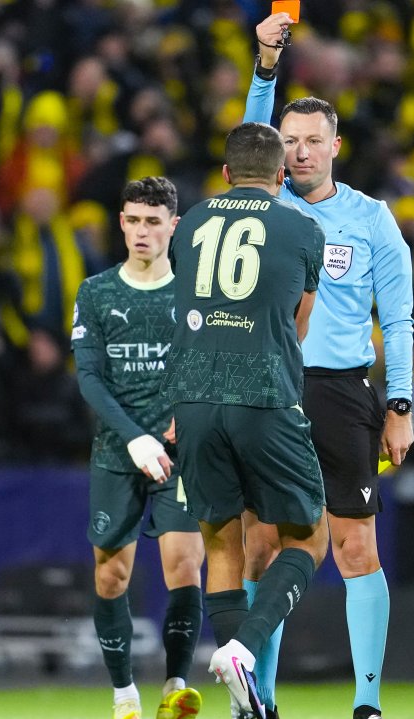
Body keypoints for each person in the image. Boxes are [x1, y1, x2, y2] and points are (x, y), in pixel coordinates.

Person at [239, 13, 414, 719]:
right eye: (289, 141)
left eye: (313, 141)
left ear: (336, 146)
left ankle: (367, 702)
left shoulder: (372, 220)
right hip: (267, 388)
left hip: (342, 392)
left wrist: (400, 404)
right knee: (262, 548)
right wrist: (266, 61)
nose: (301, 152)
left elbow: (398, 319)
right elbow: (249, 134)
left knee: (354, 545)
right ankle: (263, 698)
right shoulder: (264, 203)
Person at [164, 121, 328, 719]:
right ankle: (245, 650)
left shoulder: (191, 225)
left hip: (194, 401)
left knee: (220, 543)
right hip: (265, 397)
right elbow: (299, 323)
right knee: (310, 537)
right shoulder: (302, 228)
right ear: (281, 176)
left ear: (226, 174)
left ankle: (248, 706)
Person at [71, 176, 205, 719]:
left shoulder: (195, 291)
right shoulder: (98, 292)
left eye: (153, 221)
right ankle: (124, 692)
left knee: (184, 565)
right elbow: (90, 379)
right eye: (132, 220)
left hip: (181, 453)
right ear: (120, 223)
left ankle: (174, 686)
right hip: (117, 451)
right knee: (112, 574)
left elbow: (208, 365)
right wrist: (136, 437)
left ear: (174, 226)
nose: (141, 231)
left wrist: (184, 417)